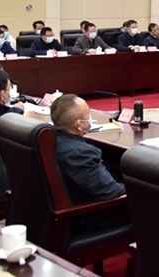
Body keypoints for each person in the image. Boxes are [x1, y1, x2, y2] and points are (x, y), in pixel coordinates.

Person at [51, 94, 130, 231]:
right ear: (78, 125)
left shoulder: (51, 141)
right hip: (93, 217)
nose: (90, 119)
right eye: (88, 116)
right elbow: (112, 192)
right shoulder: (79, 154)